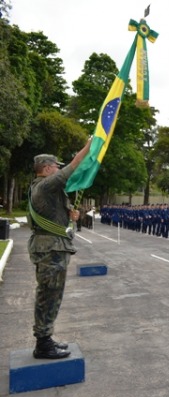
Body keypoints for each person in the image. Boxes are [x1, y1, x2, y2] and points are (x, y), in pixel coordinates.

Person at [27, 140, 91, 359]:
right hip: (50, 251)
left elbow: (54, 216)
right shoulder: (44, 186)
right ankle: (43, 343)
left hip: (53, 248)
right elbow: (73, 166)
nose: (58, 169)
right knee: (48, 295)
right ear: (47, 169)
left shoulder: (48, 189)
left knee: (52, 295)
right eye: (56, 166)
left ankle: (45, 338)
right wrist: (89, 148)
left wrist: (70, 216)